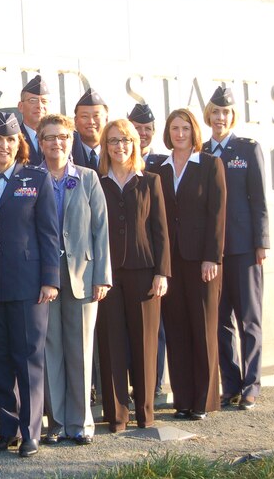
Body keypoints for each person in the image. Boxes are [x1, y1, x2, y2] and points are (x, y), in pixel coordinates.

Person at [0, 111, 59, 458]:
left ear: (19, 144)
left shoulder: (36, 179)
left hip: (28, 286)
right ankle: (7, 429)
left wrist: (50, 280)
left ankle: (31, 432)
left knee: (27, 361)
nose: (4, 145)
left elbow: (48, 233)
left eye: (10, 140)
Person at [36, 114, 110, 445]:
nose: (57, 143)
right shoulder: (31, 178)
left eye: (63, 136)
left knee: (80, 348)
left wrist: (102, 277)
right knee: (50, 349)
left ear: (71, 140)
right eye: (50, 137)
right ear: (40, 142)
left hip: (82, 276)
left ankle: (81, 423)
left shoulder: (88, 178)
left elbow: (100, 230)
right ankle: (58, 423)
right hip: (45, 279)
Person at [149, 109, 226, 420]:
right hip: (171, 262)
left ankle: (204, 401)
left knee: (203, 329)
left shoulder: (210, 165)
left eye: (185, 128)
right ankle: (183, 400)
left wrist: (213, 256)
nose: (179, 134)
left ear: (194, 131)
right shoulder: (160, 168)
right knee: (177, 329)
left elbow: (217, 214)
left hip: (201, 261)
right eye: (174, 128)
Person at [96, 119, 170, 432]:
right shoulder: (97, 182)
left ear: (134, 144)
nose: (120, 146)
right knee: (111, 344)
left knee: (144, 344)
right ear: (105, 146)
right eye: (113, 141)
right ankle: (117, 415)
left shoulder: (150, 180)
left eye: (125, 140)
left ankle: (145, 413)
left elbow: (161, 231)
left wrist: (161, 273)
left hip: (144, 272)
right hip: (109, 275)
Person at [202, 86, 270, 411]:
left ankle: (251, 385)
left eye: (225, 112)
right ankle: (230, 384)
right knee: (220, 321)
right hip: (214, 253)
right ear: (208, 115)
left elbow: (258, 200)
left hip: (244, 249)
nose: (220, 118)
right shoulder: (201, 152)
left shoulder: (247, 148)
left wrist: (261, 243)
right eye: (215, 112)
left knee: (249, 319)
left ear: (232, 116)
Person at [127, 102, 168, 395]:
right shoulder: (117, 162)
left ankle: (153, 383)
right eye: (137, 128)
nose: (142, 134)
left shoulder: (162, 166)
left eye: (148, 129)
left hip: (158, 257)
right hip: (131, 259)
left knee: (157, 328)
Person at [71, 88, 109, 171]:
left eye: (96, 116)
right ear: (75, 121)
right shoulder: (68, 153)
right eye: (84, 116)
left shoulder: (115, 151)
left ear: (106, 120)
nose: (91, 122)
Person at [17, 76, 49, 166]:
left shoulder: (66, 137)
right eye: (33, 100)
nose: (39, 105)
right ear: (21, 106)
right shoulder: (13, 137)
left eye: (44, 101)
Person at [128, 103, 166, 168]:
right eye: (137, 128)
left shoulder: (164, 164)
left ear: (153, 131)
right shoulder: (119, 162)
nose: (143, 133)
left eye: (147, 128)